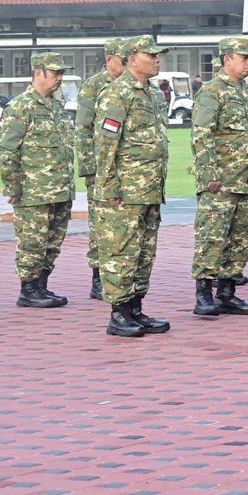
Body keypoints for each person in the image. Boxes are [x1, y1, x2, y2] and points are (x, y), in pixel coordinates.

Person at [93, 35, 171, 338]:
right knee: (121, 251)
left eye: (157, 55)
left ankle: (136, 308)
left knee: (143, 251)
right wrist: (109, 187)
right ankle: (119, 313)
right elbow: (105, 145)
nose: (156, 59)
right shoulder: (117, 94)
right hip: (125, 190)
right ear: (131, 58)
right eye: (150, 55)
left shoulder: (152, 94)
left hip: (150, 188)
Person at [190, 36, 248, 318]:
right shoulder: (212, 91)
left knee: (240, 238)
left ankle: (227, 293)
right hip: (220, 181)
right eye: (243, 58)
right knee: (212, 237)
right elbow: (201, 134)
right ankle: (204, 294)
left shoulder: (245, 92)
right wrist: (209, 172)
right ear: (227, 60)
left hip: (243, 179)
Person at [0, 52, 76, 308]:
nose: (59, 78)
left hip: (60, 188)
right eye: (55, 73)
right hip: (33, 191)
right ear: (38, 73)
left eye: (61, 73)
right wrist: (12, 185)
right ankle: (28, 289)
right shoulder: (21, 106)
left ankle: (41, 285)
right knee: (32, 243)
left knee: (53, 242)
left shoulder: (57, 107)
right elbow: (9, 149)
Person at [74, 37, 126, 300]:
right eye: (122, 59)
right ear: (109, 60)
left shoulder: (133, 86)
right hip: (100, 168)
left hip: (127, 170)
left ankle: (119, 277)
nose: (127, 64)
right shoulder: (93, 87)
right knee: (100, 224)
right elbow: (83, 129)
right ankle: (97, 277)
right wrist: (89, 169)